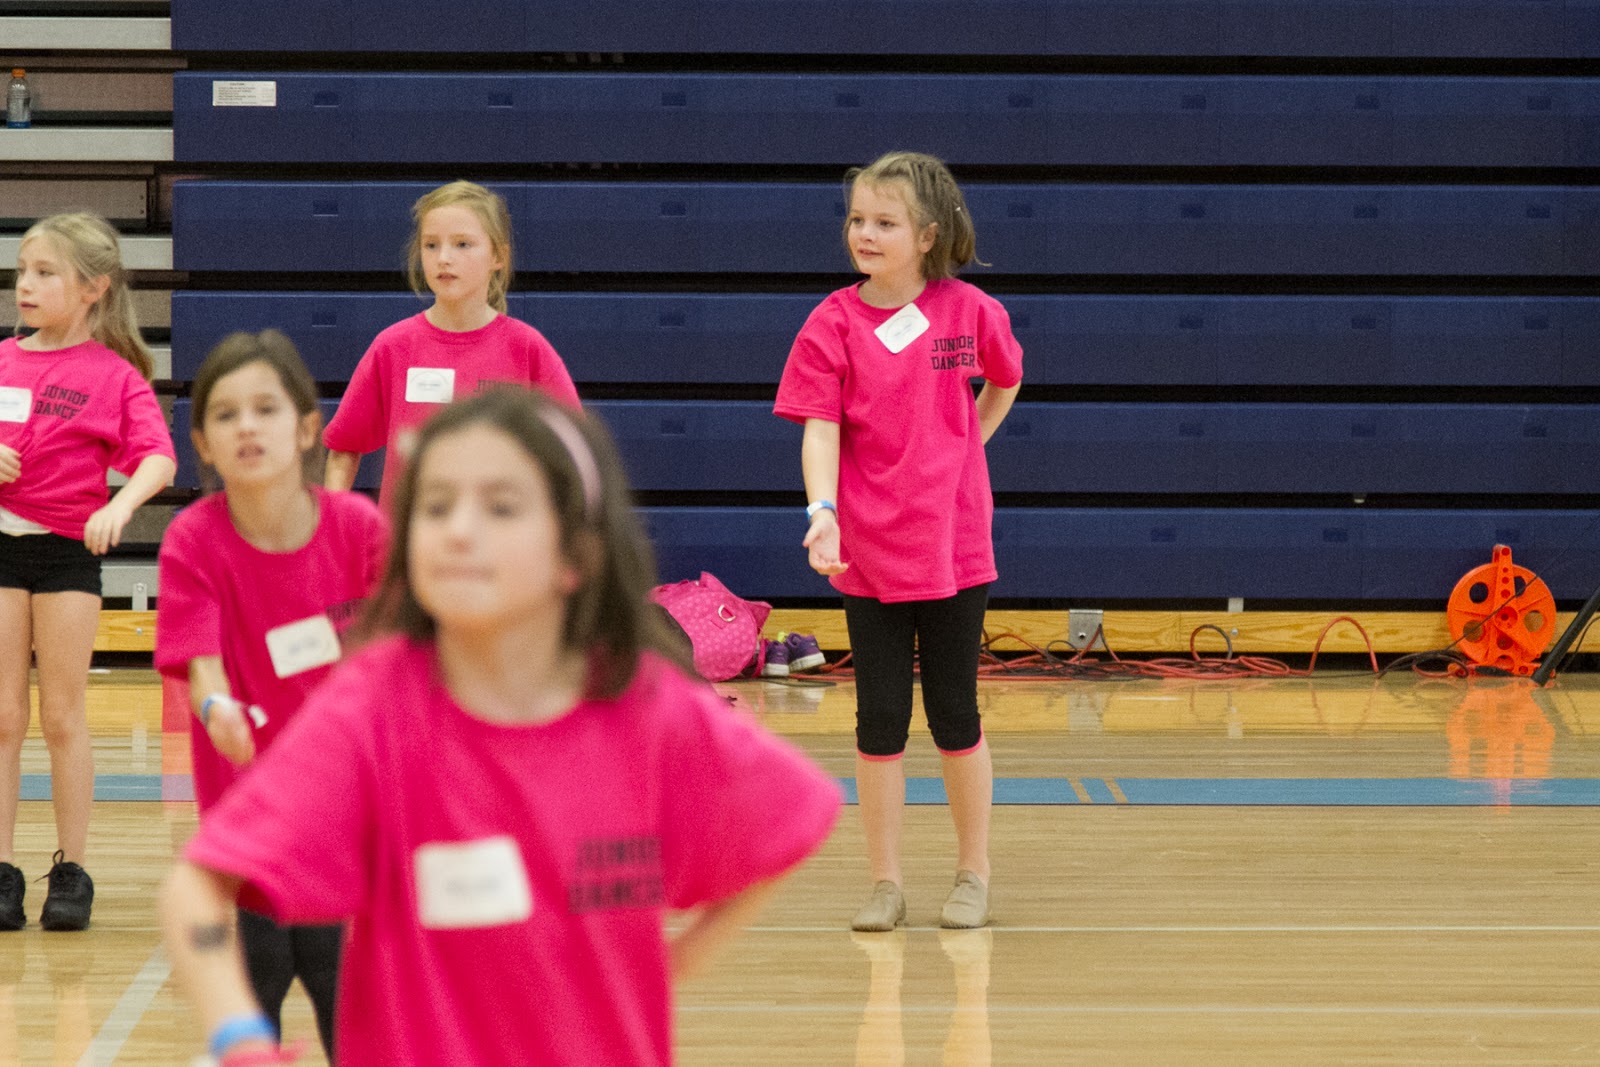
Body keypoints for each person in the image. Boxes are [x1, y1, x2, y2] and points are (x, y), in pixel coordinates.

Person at [161, 388, 841, 1065]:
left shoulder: (645, 705)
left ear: (576, 551)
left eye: (501, 506)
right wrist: (237, 1034)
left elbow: (798, 812)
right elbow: (196, 886)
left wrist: (684, 956)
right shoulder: (373, 707)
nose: (458, 529)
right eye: (435, 505)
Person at [774, 151, 1023, 932]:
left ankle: (973, 872)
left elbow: (1005, 378)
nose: (865, 233)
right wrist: (822, 509)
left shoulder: (971, 311)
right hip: (868, 554)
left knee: (956, 713)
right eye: (857, 219)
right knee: (879, 720)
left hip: (956, 548)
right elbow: (820, 427)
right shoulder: (831, 323)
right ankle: (885, 881)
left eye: (884, 222)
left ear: (927, 234)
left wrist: (967, 445)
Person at [155, 330, 389, 1059]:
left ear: (308, 427)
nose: (247, 426)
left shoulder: (359, 529)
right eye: (225, 415)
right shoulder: (194, 539)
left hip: (350, 827)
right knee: (253, 1012)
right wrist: (216, 710)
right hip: (247, 826)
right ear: (203, 441)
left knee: (352, 1013)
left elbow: (397, 665)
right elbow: (200, 662)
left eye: (266, 408)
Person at [0, 213, 176, 932]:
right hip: (2, 549)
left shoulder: (114, 374)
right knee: (4, 715)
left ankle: (70, 868)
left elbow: (158, 457)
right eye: (24, 271)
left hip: (68, 552)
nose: (27, 285)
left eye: (47, 273)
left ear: (93, 289)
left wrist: (123, 502)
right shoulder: (5, 360)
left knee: (64, 716)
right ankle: (3, 867)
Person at [323, 180, 580, 506]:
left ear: (497, 256)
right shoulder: (393, 346)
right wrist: (333, 533)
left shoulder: (527, 349)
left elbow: (575, 455)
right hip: (411, 548)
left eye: (462, 244)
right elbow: (343, 449)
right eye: (431, 245)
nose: (444, 258)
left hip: (499, 548)